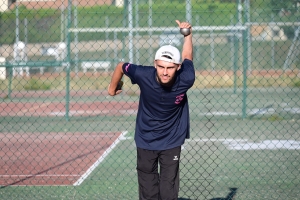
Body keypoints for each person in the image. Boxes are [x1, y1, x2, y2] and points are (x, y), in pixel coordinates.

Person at [108, 20, 195, 200]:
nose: (165, 72)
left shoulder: (186, 78)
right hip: (145, 138)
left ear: (178, 67)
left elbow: (187, 56)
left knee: (168, 191)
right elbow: (121, 66)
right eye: (161, 66)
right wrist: (112, 87)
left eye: (170, 67)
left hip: (172, 139)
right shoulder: (143, 74)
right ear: (155, 64)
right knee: (148, 191)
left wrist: (187, 35)